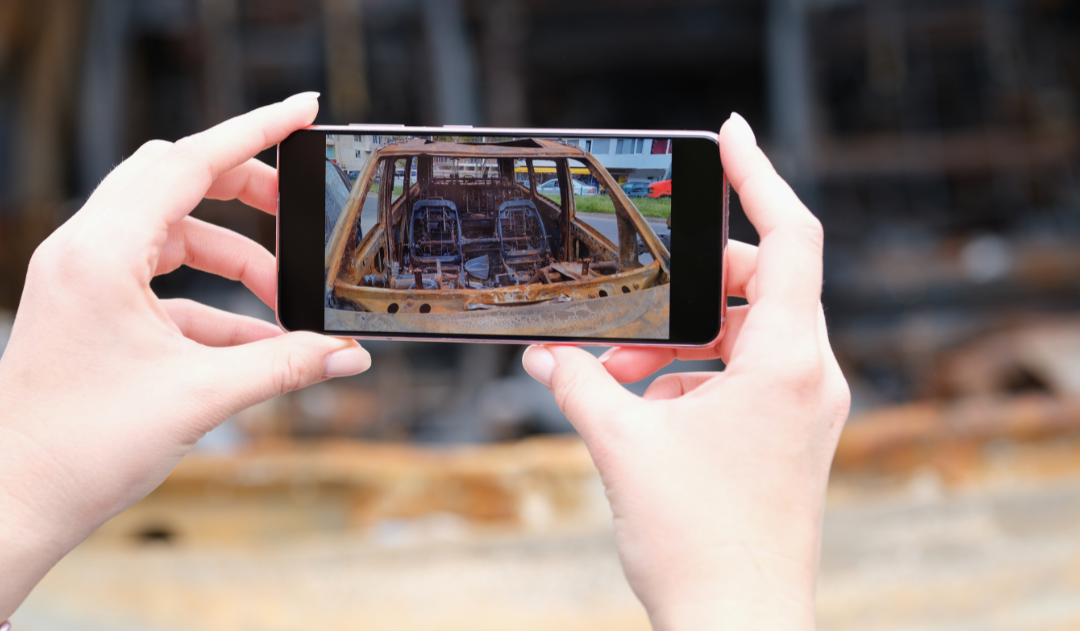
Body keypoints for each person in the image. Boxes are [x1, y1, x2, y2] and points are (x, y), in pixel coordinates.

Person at [0, 94, 849, 630]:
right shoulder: (439, 229)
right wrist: (743, 599)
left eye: (522, 217)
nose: (502, 229)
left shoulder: (586, 242)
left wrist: (24, 479)